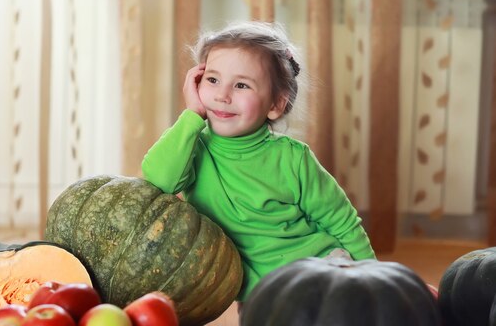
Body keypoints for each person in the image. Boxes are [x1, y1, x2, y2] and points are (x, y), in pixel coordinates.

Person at [141, 21, 375, 301]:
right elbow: (157, 181)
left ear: (275, 104)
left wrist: (375, 278)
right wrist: (192, 114)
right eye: (212, 79)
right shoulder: (192, 146)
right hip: (261, 291)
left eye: (241, 85)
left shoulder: (293, 158)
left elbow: (342, 222)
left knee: (346, 322)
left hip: (318, 267)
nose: (222, 95)